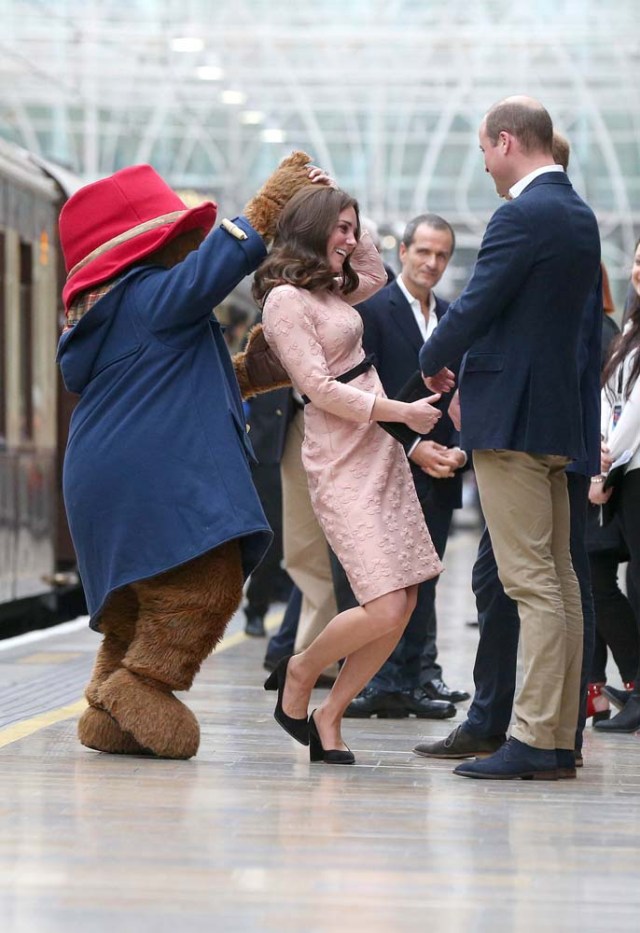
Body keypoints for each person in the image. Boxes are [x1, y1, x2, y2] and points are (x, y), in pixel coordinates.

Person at [56, 152, 330, 759]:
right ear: (148, 246)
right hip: (143, 475)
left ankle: (109, 699)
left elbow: (171, 382)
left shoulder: (117, 314)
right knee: (208, 580)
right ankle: (140, 685)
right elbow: (216, 267)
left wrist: (253, 371)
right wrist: (269, 205)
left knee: (137, 598)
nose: (187, 243)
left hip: (103, 472)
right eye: (177, 235)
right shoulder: (148, 292)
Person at [419, 97, 601, 780]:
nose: (484, 163)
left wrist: (432, 353)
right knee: (559, 578)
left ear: (505, 141)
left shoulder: (522, 214)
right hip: (554, 419)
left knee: (532, 582)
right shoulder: (578, 214)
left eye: (483, 150)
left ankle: (530, 737)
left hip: (513, 421)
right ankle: (556, 737)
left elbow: (479, 301)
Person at [256, 185, 444, 763]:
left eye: (352, 228)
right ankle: (301, 671)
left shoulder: (333, 290)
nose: (350, 239)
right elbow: (317, 388)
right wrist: (403, 414)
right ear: (312, 229)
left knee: (405, 599)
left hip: (379, 449)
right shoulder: (286, 300)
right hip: (340, 457)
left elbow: (377, 276)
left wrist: (348, 212)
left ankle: (329, 716)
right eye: (338, 228)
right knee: (384, 604)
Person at [342, 213, 469, 720]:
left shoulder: (455, 315)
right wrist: (414, 448)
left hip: (440, 469)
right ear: (403, 252)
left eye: (441, 255)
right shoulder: (373, 310)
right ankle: (383, 680)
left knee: (428, 576)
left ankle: (418, 675)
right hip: (386, 462)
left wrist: (459, 449)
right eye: (423, 252)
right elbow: (362, 391)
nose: (432, 263)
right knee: (387, 580)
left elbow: (464, 391)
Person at [589, 237, 640, 733]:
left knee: (612, 582)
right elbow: (612, 399)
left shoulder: (607, 329)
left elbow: (634, 412)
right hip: (618, 470)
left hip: (621, 468)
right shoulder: (625, 329)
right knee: (607, 582)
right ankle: (615, 689)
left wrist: (604, 461)